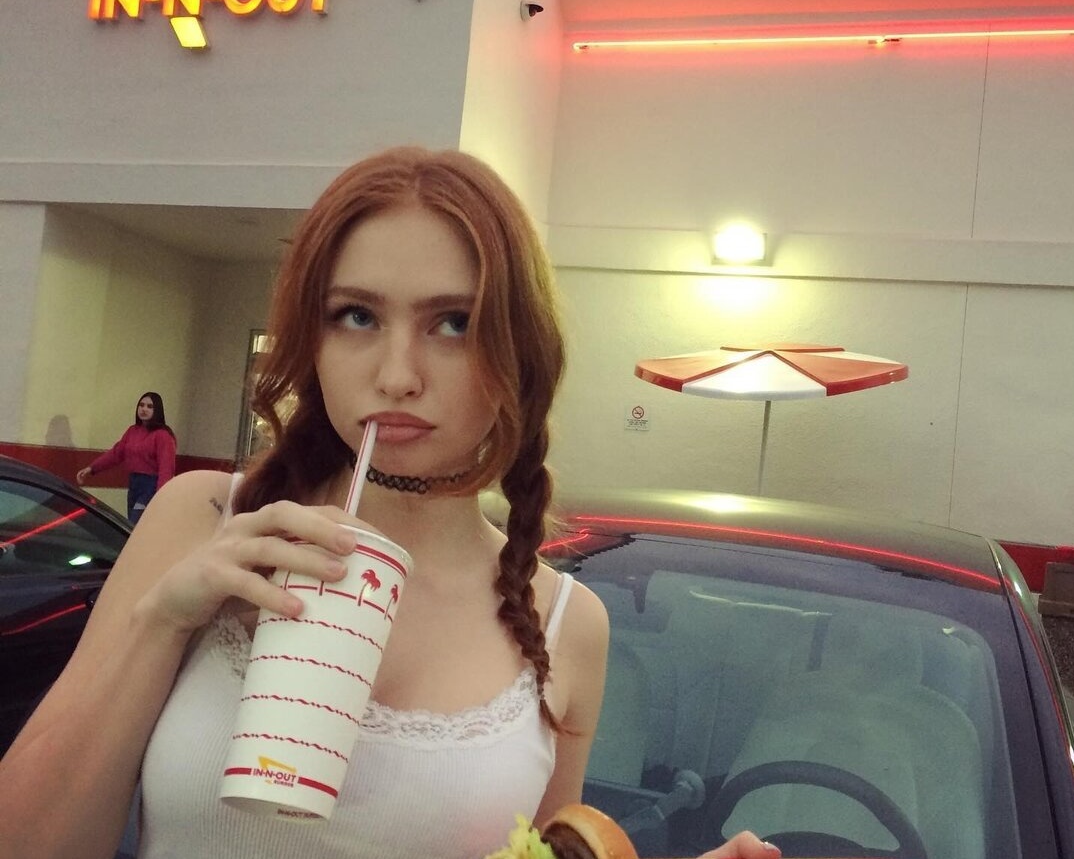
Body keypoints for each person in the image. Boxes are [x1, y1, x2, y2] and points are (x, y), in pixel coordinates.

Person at [0, 147, 776, 859]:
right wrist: (163, 620)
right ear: (313, 336)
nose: (397, 374)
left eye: (454, 323)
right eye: (358, 315)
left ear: (517, 348)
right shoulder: (201, 521)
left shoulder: (567, 624)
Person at [77, 391, 177, 524]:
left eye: (149, 406)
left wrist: (161, 495)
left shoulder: (163, 435)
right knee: (130, 523)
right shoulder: (132, 431)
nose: (144, 409)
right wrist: (92, 468)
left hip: (151, 486)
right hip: (134, 483)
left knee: (136, 523)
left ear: (157, 410)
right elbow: (116, 453)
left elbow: (166, 468)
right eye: (141, 405)